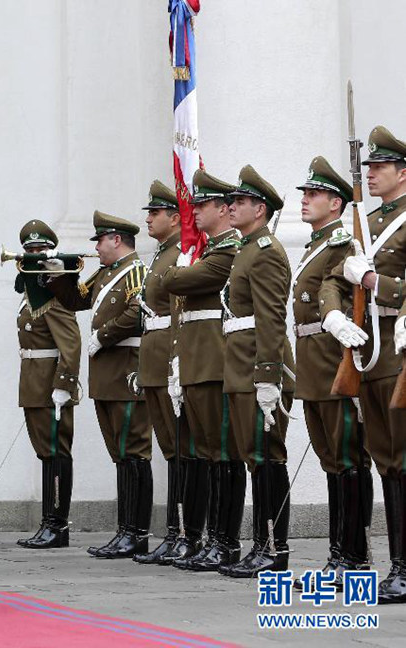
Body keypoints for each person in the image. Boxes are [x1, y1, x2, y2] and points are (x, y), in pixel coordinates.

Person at [321, 125, 406, 604]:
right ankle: (397, 566)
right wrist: (333, 313)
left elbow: (384, 283)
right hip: (368, 352)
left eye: (379, 167)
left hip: (399, 349)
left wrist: (374, 279)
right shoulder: (366, 223)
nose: (371, 174)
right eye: (368, 167)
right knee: (385, 460)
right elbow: (335, 277)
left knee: (403, 457)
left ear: (402, 172)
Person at [44, 210, 151, 560]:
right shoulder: (106, 272)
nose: (98, 248)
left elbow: (138, 313)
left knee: (134, 451)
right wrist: (63, 274)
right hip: (107, 374)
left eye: (101, 241)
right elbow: (77, 301)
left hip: (125, 370)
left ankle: (136, 532)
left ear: (116, 240)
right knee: (120, 455)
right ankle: (124, 530)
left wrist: (103, 336)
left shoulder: (136, 270)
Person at [292, 157, 371, 589]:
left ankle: (352, 556)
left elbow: (338, 293)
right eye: (305, 194)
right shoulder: (316, 245)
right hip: (312, 362)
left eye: (314, 194)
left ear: (336, 202)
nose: (305, 200)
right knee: (331, 461)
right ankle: (339, 553)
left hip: (333, 359)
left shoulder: (342, 244)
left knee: (347, 460)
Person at [162, 169, 245, 572]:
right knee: (209, 456)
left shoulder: (228, 251)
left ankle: (225, 541)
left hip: (214, 364)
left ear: (223, 210)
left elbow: (173, 283)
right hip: (197, 363)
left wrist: (178, 268)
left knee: (223, 455)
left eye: (201, 204)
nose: (193, 210)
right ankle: (210, 538)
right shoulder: (211, 250)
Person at [217, 166, 295, 578]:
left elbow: (270, 317)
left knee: (267, 458)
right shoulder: (247, 248)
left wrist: (269, 375)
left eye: (240, 202)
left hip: (258, 369)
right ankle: (260, 544)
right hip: (241, 366)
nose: (231, 207)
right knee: (254, 458)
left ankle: (273, 549)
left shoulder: (265, 251)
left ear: (259, 208)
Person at [129, 181, 191, 566]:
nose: (149, 219)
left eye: (155, 213)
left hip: (168, 356)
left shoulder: (181, 253)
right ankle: (172, 532)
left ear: (174, 216)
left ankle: (181, 531)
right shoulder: (161, 254)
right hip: (152, 357)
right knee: (171, 450)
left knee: (180, 450)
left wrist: (173, 361)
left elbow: (177, 315)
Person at [12, 219, 81, 549]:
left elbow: (70, 343)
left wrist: (64, 385)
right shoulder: (31, 294)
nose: (35, 255)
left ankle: (57, 525)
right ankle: (49, 523)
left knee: (56, 453)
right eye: (30, 251)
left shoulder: (54, 292)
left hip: (50, 387)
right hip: (33, 384)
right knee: (46, 453)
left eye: (41, 250)